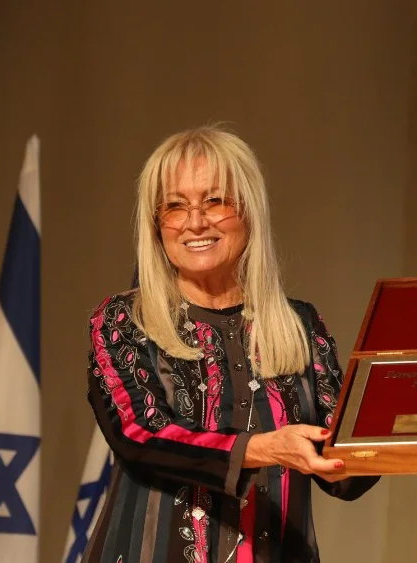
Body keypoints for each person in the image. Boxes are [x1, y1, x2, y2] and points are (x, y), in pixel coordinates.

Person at [84, 126, 378, 562]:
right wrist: (260, 450)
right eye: (175, 206)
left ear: (249, 212)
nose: (196, 221)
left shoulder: (301, 325)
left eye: (215, 201)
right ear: (156, 224)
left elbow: (345, 473)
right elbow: (142, 436)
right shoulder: (123, 321)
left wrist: (403, 421)